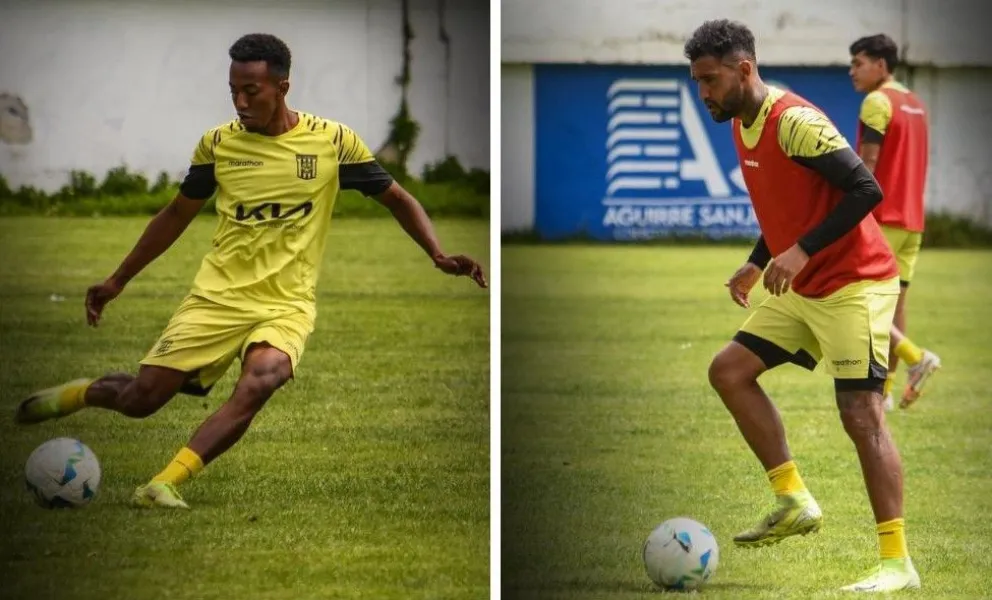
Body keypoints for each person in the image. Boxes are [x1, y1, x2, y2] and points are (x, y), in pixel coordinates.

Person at [15, 33, 487, 510]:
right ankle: (78, 394)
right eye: (233, 91)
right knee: (143, 399)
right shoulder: (218, 145)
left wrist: (437, 253)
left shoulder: (332, 142)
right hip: (216, 299)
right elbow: (176, 214)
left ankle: (164, 483)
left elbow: (397, 199)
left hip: (286, 304)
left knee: (265, 376)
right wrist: (118, 279)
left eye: (251, 92)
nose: (240, 102)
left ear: (282, 86)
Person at [685, 19, 920, 592]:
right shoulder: (742, 122)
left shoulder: (795, 121)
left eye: (711, 80)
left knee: (862, 417)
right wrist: (758, 258)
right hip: (806, 285)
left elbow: (866, 189)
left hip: (856, 284)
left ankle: (897, 564)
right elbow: (792, 201)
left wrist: (799, 252)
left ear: (744, 69)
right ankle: (793, 499)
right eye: (698, 83)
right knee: (729, 370)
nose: (705, 94)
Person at [849, 33, 941, 411]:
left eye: (858, 63)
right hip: (912, 222)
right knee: (895, 304)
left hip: (881, 218)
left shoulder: (877, 100)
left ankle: (916, 358)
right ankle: (884, 391)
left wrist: (850, 210)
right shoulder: (916, 103)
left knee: (859, 300)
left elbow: (867, 165)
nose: (851, 70)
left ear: (881, 66)